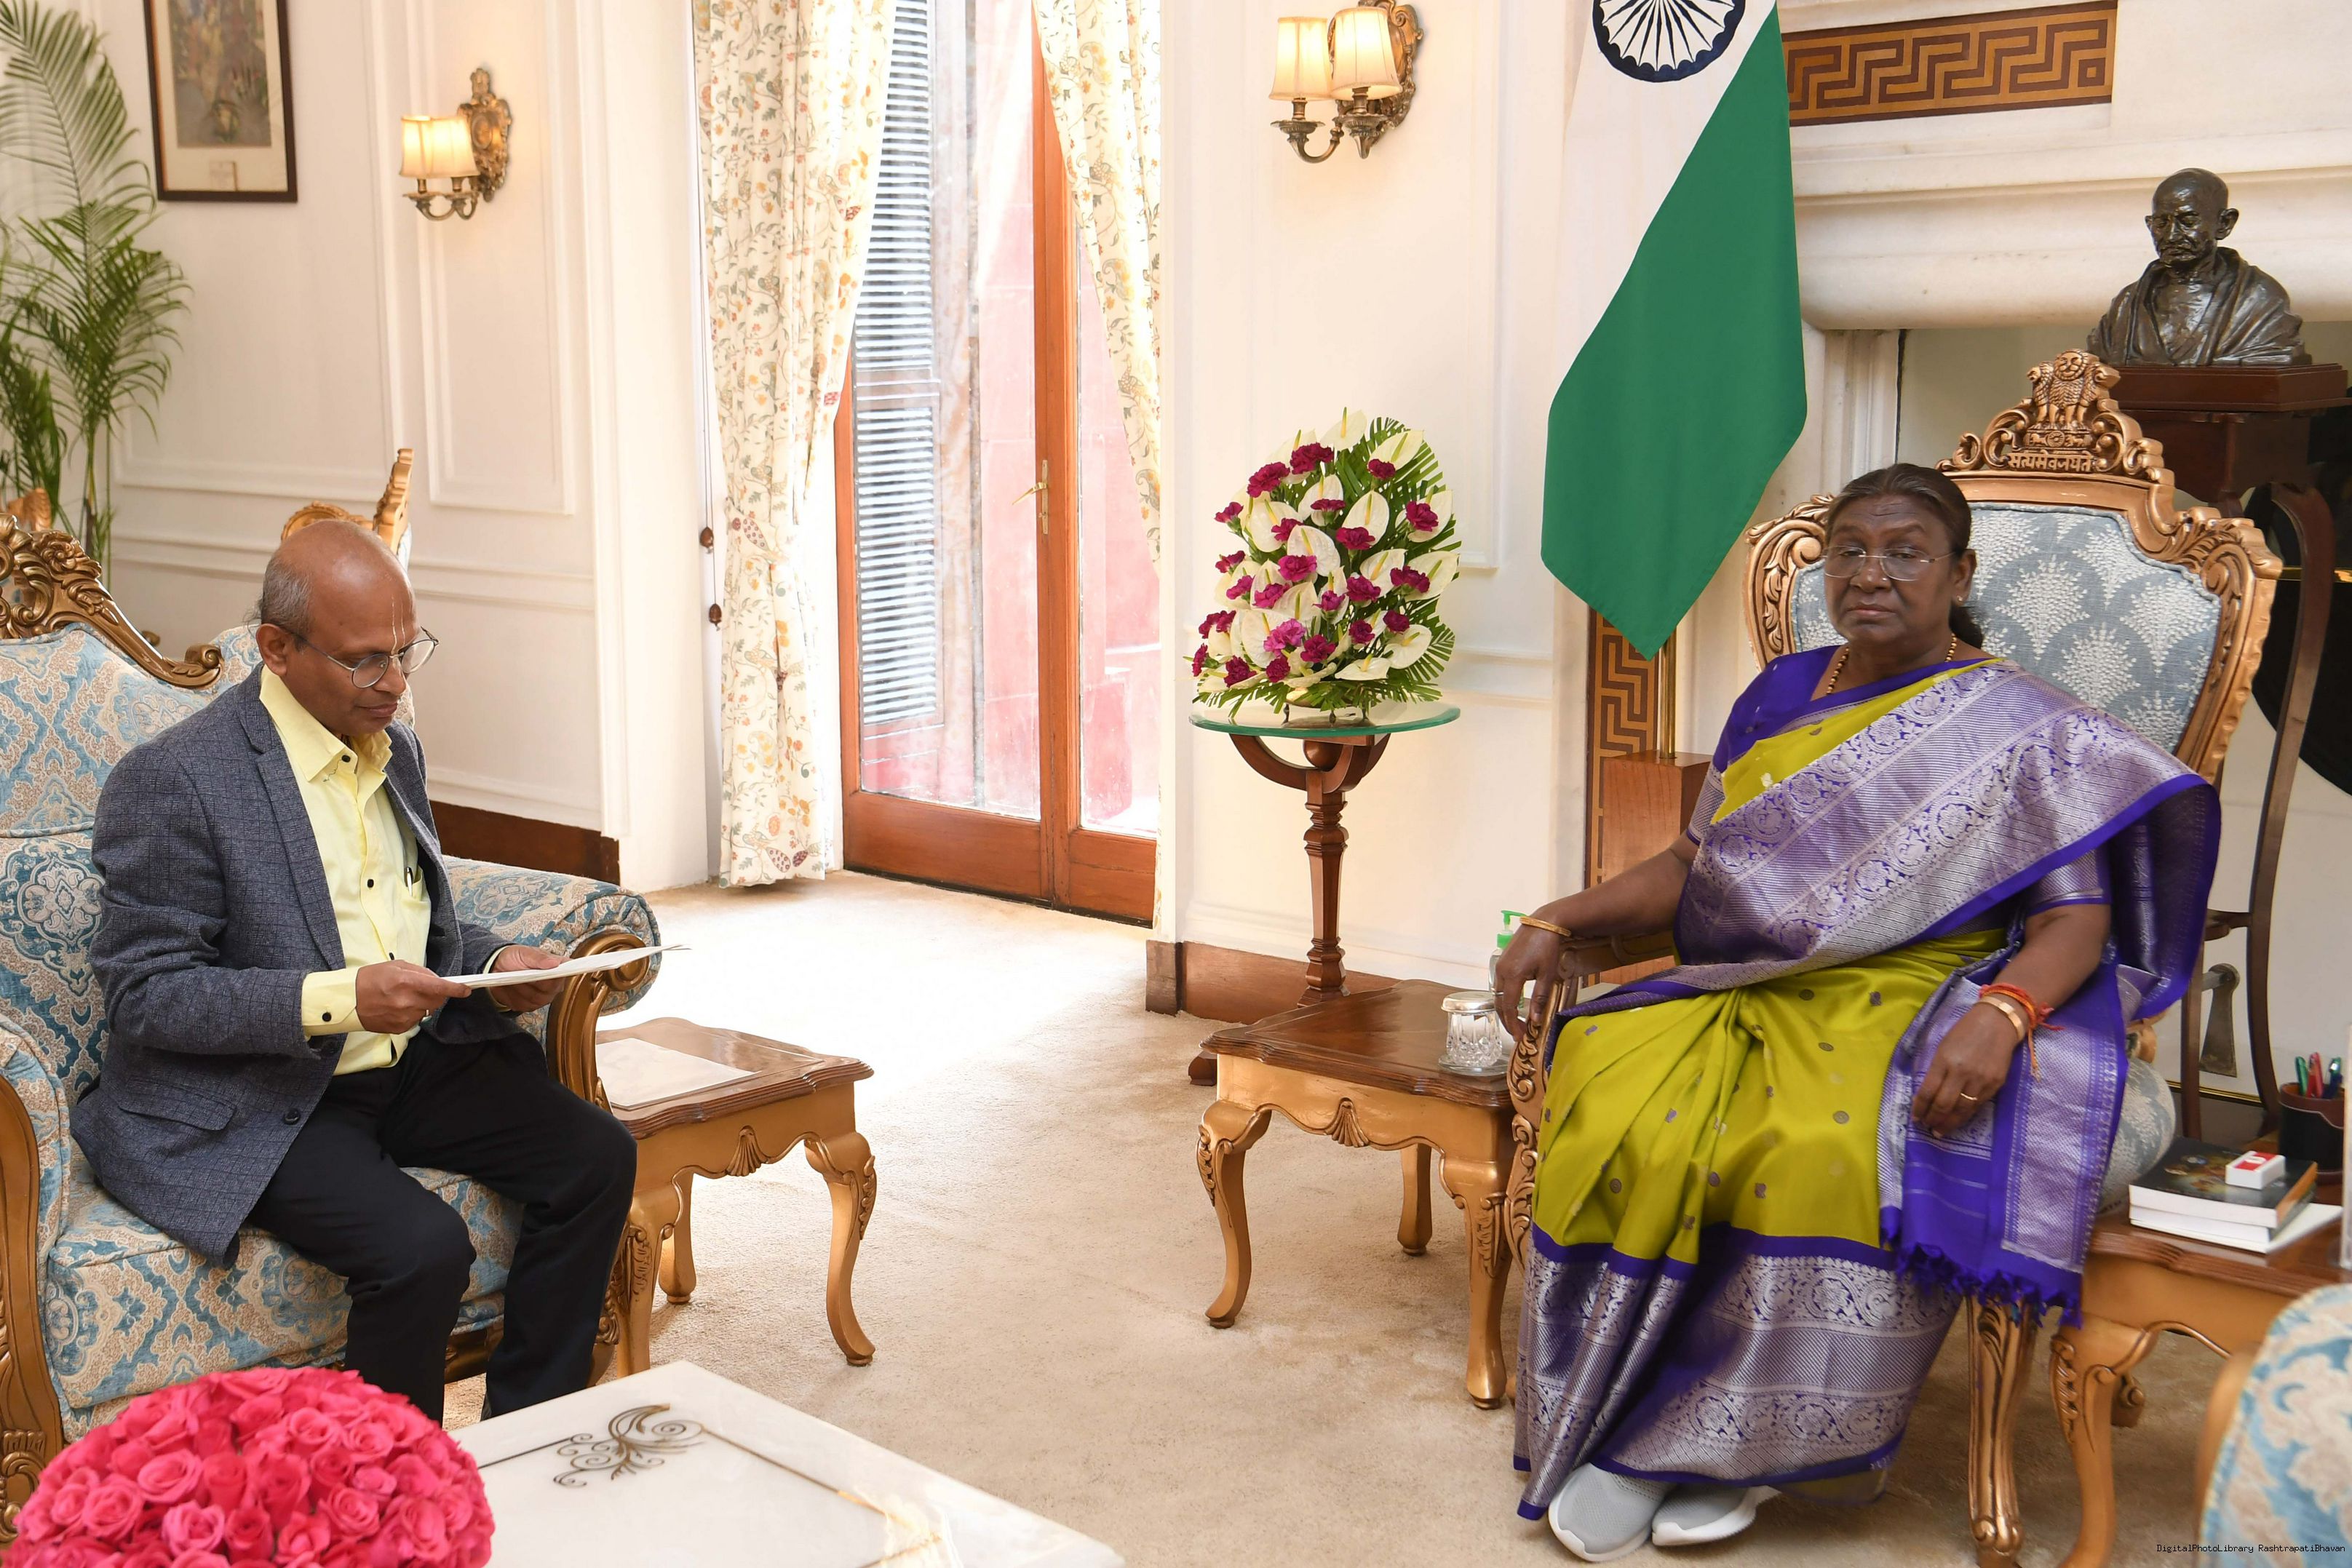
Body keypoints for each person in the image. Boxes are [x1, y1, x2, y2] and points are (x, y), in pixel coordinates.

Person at [1495, 463, 2218, 1558]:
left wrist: (2003, 1016)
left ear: (1960, 573)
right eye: (1849, 552)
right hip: (1755, 979)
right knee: (1621, 1093)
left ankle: (1740, 1449)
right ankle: (1628, 1416)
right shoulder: (1778, 693)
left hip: (1925, 991)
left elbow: (2076, 923)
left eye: (1904, 552)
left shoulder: (2026, 727)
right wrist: (1558, 914)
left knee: (1817, 1139)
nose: (1870, 573)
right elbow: (1691, 866)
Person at [75, 520, 638, 1424]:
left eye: (407, 651)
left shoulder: (394, 747)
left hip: (405, 1061)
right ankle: (389, 1490)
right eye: (366, 659)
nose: (397, 682)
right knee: (422, 1248)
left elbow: (417, 920)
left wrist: (494, 963)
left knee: (597, 1156)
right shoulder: (176, 779)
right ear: (277, 648)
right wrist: (342, 998)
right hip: (263, 1092)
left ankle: (526, 1438)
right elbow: (147, 994)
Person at [2088, 167, 2308, 367]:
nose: (2171, 236)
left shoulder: (2259, 299)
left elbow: (2274, 361)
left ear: (2224, 224)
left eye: (2188, 222)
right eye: (2161, 223)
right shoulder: (2126, 305)